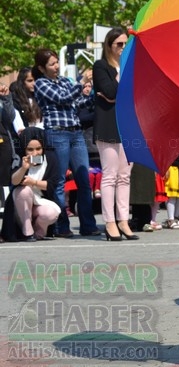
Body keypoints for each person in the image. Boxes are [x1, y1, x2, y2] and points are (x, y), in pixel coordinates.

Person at [33, 48, 100, 237]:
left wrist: (94, 95)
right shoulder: (41, 84)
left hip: (76, 132)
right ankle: (62, 226)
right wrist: (80, 83)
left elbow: (77, 104)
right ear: (42, 67)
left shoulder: (64, 81)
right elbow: (62, 99)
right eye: (52, 64)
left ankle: (88, 224)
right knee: (60, 181)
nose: (56, 66)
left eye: (56, 62)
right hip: (57, 133)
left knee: (84, 180)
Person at [93, 27, 137, 241]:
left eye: (125, 44)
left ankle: (123, 220)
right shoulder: (101, 66)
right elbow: (110, 92)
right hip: (108, 126)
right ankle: (109, 221)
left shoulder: (132, 66)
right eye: (118, 44)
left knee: (125, 176)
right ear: (109, 46)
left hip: (127, 125)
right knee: (110, 175)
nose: (122, 48)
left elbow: (134, 94)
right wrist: (120, 75)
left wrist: (115, 95)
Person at [5, 127, 60, 241]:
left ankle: (39, 232)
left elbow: (52, 185)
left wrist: (33, 182)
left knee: (51, 213)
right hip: (19, 204)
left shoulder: (50, 157)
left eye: (39, 149)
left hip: (40, 201)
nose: (35, 153)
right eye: (30, 149)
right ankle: (27, 232)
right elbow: (14, 181)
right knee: (24, 191)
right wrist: (23, 168)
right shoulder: (18, 157)